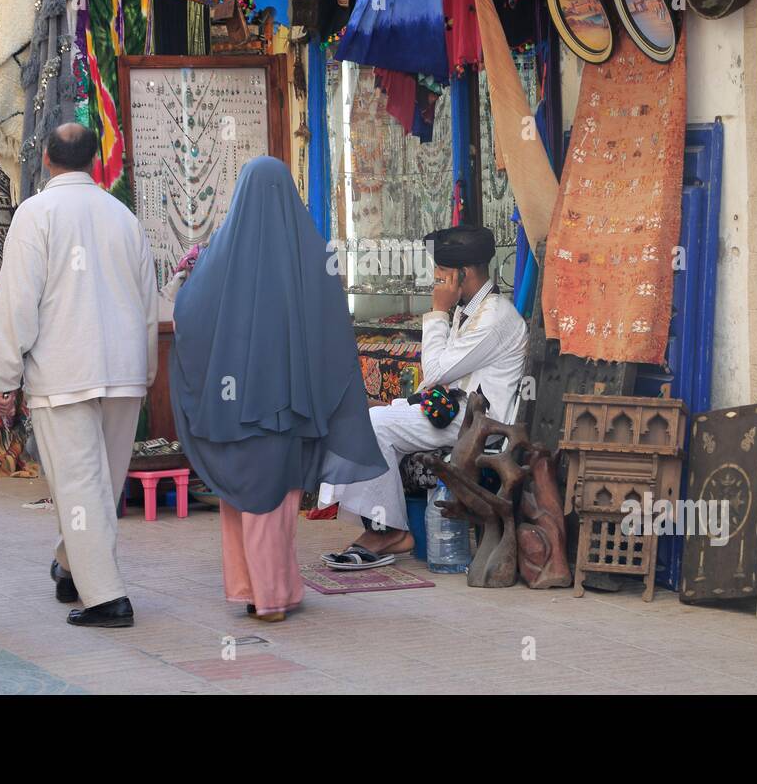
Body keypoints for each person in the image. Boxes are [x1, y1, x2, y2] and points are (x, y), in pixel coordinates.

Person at [169, 156, 387, 622]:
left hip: (230, 412)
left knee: (240, 498)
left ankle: (252, 591)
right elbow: (336, 334)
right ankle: (275, 592)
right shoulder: (312, 257)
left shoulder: (220, 259)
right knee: (277, 501)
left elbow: (187, 315)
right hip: (290, 411)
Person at [0, 123, 158, 628]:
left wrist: (3, 379)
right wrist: (144, 370)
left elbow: (17, 304)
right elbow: (148, 302)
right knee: (98, 482)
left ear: (45, 158)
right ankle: (69, 565)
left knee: (81, 484)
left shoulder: (35, 215)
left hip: (64, 373)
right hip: (122, 370)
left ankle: (106, 597)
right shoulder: (123, 216)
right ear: (93, 161)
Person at [321, 225, 528, 569]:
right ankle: (381, 526)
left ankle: (388, 532)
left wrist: (435, 311)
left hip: (482, 429)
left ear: (461, 275)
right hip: (461, 416)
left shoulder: (494, 317)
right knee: (370, 417)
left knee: (374, 425)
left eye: (441, 275)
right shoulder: (472, 310)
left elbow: (434, 372)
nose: (436, 282)